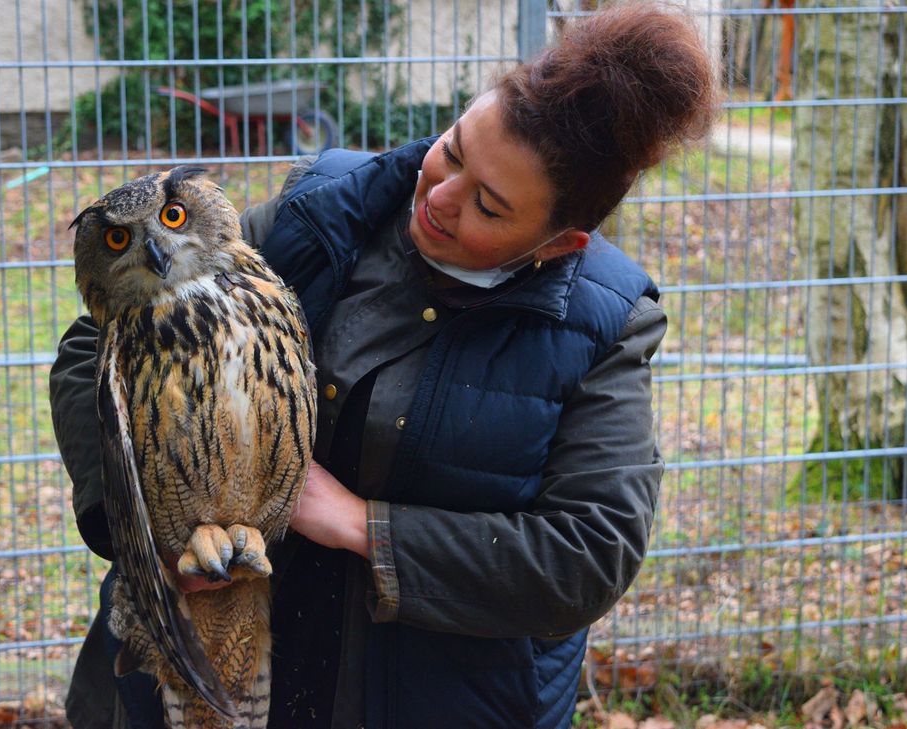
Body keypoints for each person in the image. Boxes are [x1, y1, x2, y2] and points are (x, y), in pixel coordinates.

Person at [50, 4, 715, 727]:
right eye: (453, 151)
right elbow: (97, 349)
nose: (440, 198)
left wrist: (360, 523)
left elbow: (584, 557)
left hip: (431, 698)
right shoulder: (327, 210)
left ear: (560, 243)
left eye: (489, 206)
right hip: (207, 661)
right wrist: (145, 530)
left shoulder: (604, 323)